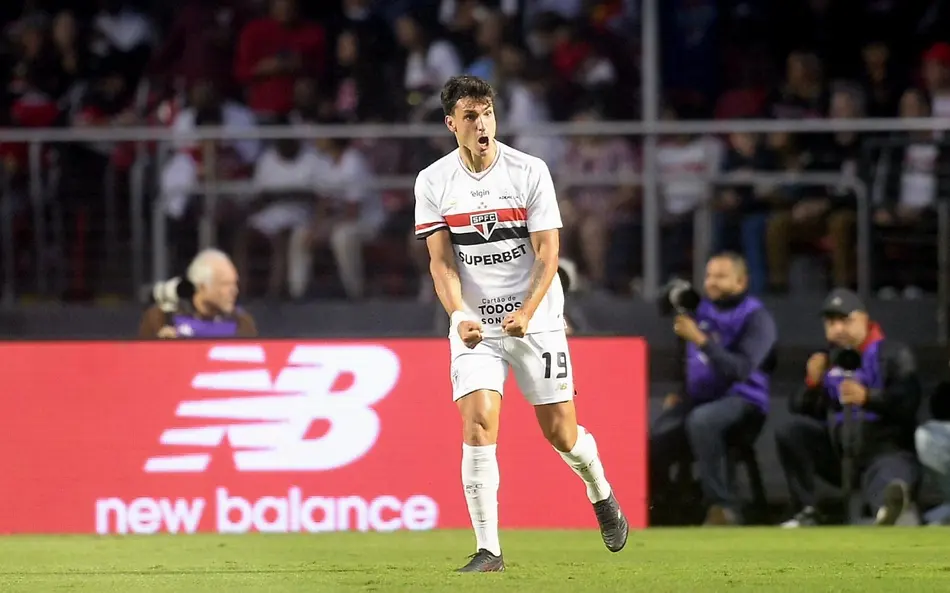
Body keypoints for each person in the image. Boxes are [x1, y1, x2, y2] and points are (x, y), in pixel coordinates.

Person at [413, 75, 627, 573]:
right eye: (470, 116)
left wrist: (526, 313)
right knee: (478, 422)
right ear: (451, 124)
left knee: (561, 433)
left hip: (537, 320)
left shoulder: (529, 171)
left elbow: (549, 253)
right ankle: (489, 550)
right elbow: (442, 264)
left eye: (487, 113)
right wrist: (459, 315)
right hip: (477, 328)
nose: (482, 124)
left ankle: (599, 489)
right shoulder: (433, 181)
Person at [649, 253, 777, 525]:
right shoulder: (700, 310)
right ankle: (663, 506)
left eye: (720, 276)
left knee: (702, 421)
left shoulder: (756, 317)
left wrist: (700, 339)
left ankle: (722, 506)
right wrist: (681, 392)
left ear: (741, 282)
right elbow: (687, 360)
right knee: (656, 436)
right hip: (699, 399)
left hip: (744, 402)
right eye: (708, 276)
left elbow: (741, 369)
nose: (711, 282)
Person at [776, 289, 921, 527]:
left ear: (864, 319)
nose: (838, 329)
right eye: (831, 323)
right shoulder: (827, 359)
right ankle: (806, 509)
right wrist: (812, 384)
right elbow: (799, 407)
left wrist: (867, 398)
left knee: (889, 477)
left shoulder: (893, 353)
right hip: (840, 451)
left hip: (885, 449)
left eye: (845, 321)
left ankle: (890, 511)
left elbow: (908, 402)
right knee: (790, 431)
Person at [138, 249, 257, 338]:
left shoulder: (242, 321)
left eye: (235, 284)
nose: (234, 291)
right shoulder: (162, 317)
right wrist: (162, 346)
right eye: (225, 284)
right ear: (202, 287)